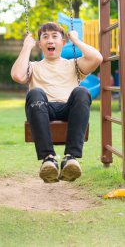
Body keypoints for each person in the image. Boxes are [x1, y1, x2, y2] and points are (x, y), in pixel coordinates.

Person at [11, 22, 103, 183]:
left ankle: (70, 158)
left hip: (68, 108)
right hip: (43, 109)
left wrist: (76, 41)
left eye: (55, 36)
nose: (50, 41)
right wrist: (26, 47)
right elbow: (18, 76)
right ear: (39, 44)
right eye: (45, 37)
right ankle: (48, 158)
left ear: (62, 42)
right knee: (36, 92)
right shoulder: (33, 66)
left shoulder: (74, 65)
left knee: (82, 91)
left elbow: (97, 58)